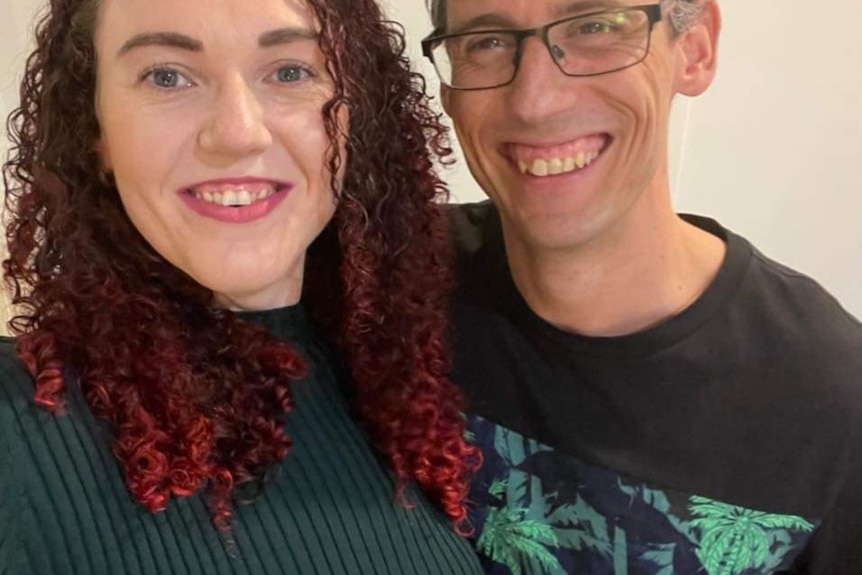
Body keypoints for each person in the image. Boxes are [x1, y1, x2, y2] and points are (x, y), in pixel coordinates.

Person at [0, 0, 484, 573]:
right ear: (95, 131)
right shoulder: (17, 433)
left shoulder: (402, 384)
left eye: (289, 72)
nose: (237, 133)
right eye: (166, 76)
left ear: (357, 119)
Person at [421, 0, 862, 572]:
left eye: (596, 27)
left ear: (695, 48)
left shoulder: (834, 402)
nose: (535, 99)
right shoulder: (382, 291)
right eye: (486, 42)